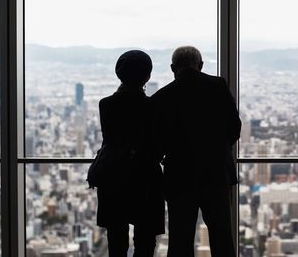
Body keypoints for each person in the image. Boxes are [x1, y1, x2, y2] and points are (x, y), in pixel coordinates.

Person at [152, 46, 241, 257]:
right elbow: (234, 128)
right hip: (216, 174)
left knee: (180, 240)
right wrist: (217, 149)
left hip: (180, 177)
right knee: (222, 237)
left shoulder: (161, 97)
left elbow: (157, 142)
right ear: (200, 65)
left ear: (173, 68)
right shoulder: (218, 86)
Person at [97, 50, 164, 256]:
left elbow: (110, 140)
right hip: (146, 176)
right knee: (145, 240)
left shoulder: (106, 105)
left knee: (116, 239)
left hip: (114, 175)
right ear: (148, 76)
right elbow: (158, 145)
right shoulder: (153, 107)